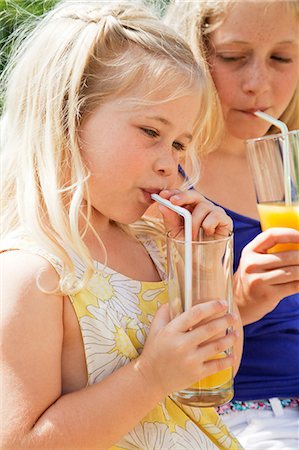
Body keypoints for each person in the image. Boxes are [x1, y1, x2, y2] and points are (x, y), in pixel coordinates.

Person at [0, 1, 245, 448]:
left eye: (179, 144)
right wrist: (150, 376)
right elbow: (19, 441)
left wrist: (204, 268)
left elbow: (216, 376)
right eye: (152, 132)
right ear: (66, 118)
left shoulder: (158, 246)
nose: (171, 164)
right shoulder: (35, 274)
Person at [165, 0, 299, 448]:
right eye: (233, 57)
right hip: (235, 418)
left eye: (281, 58)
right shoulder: (168, 177)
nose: (258, 84)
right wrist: (238, 301)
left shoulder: (291, 163)